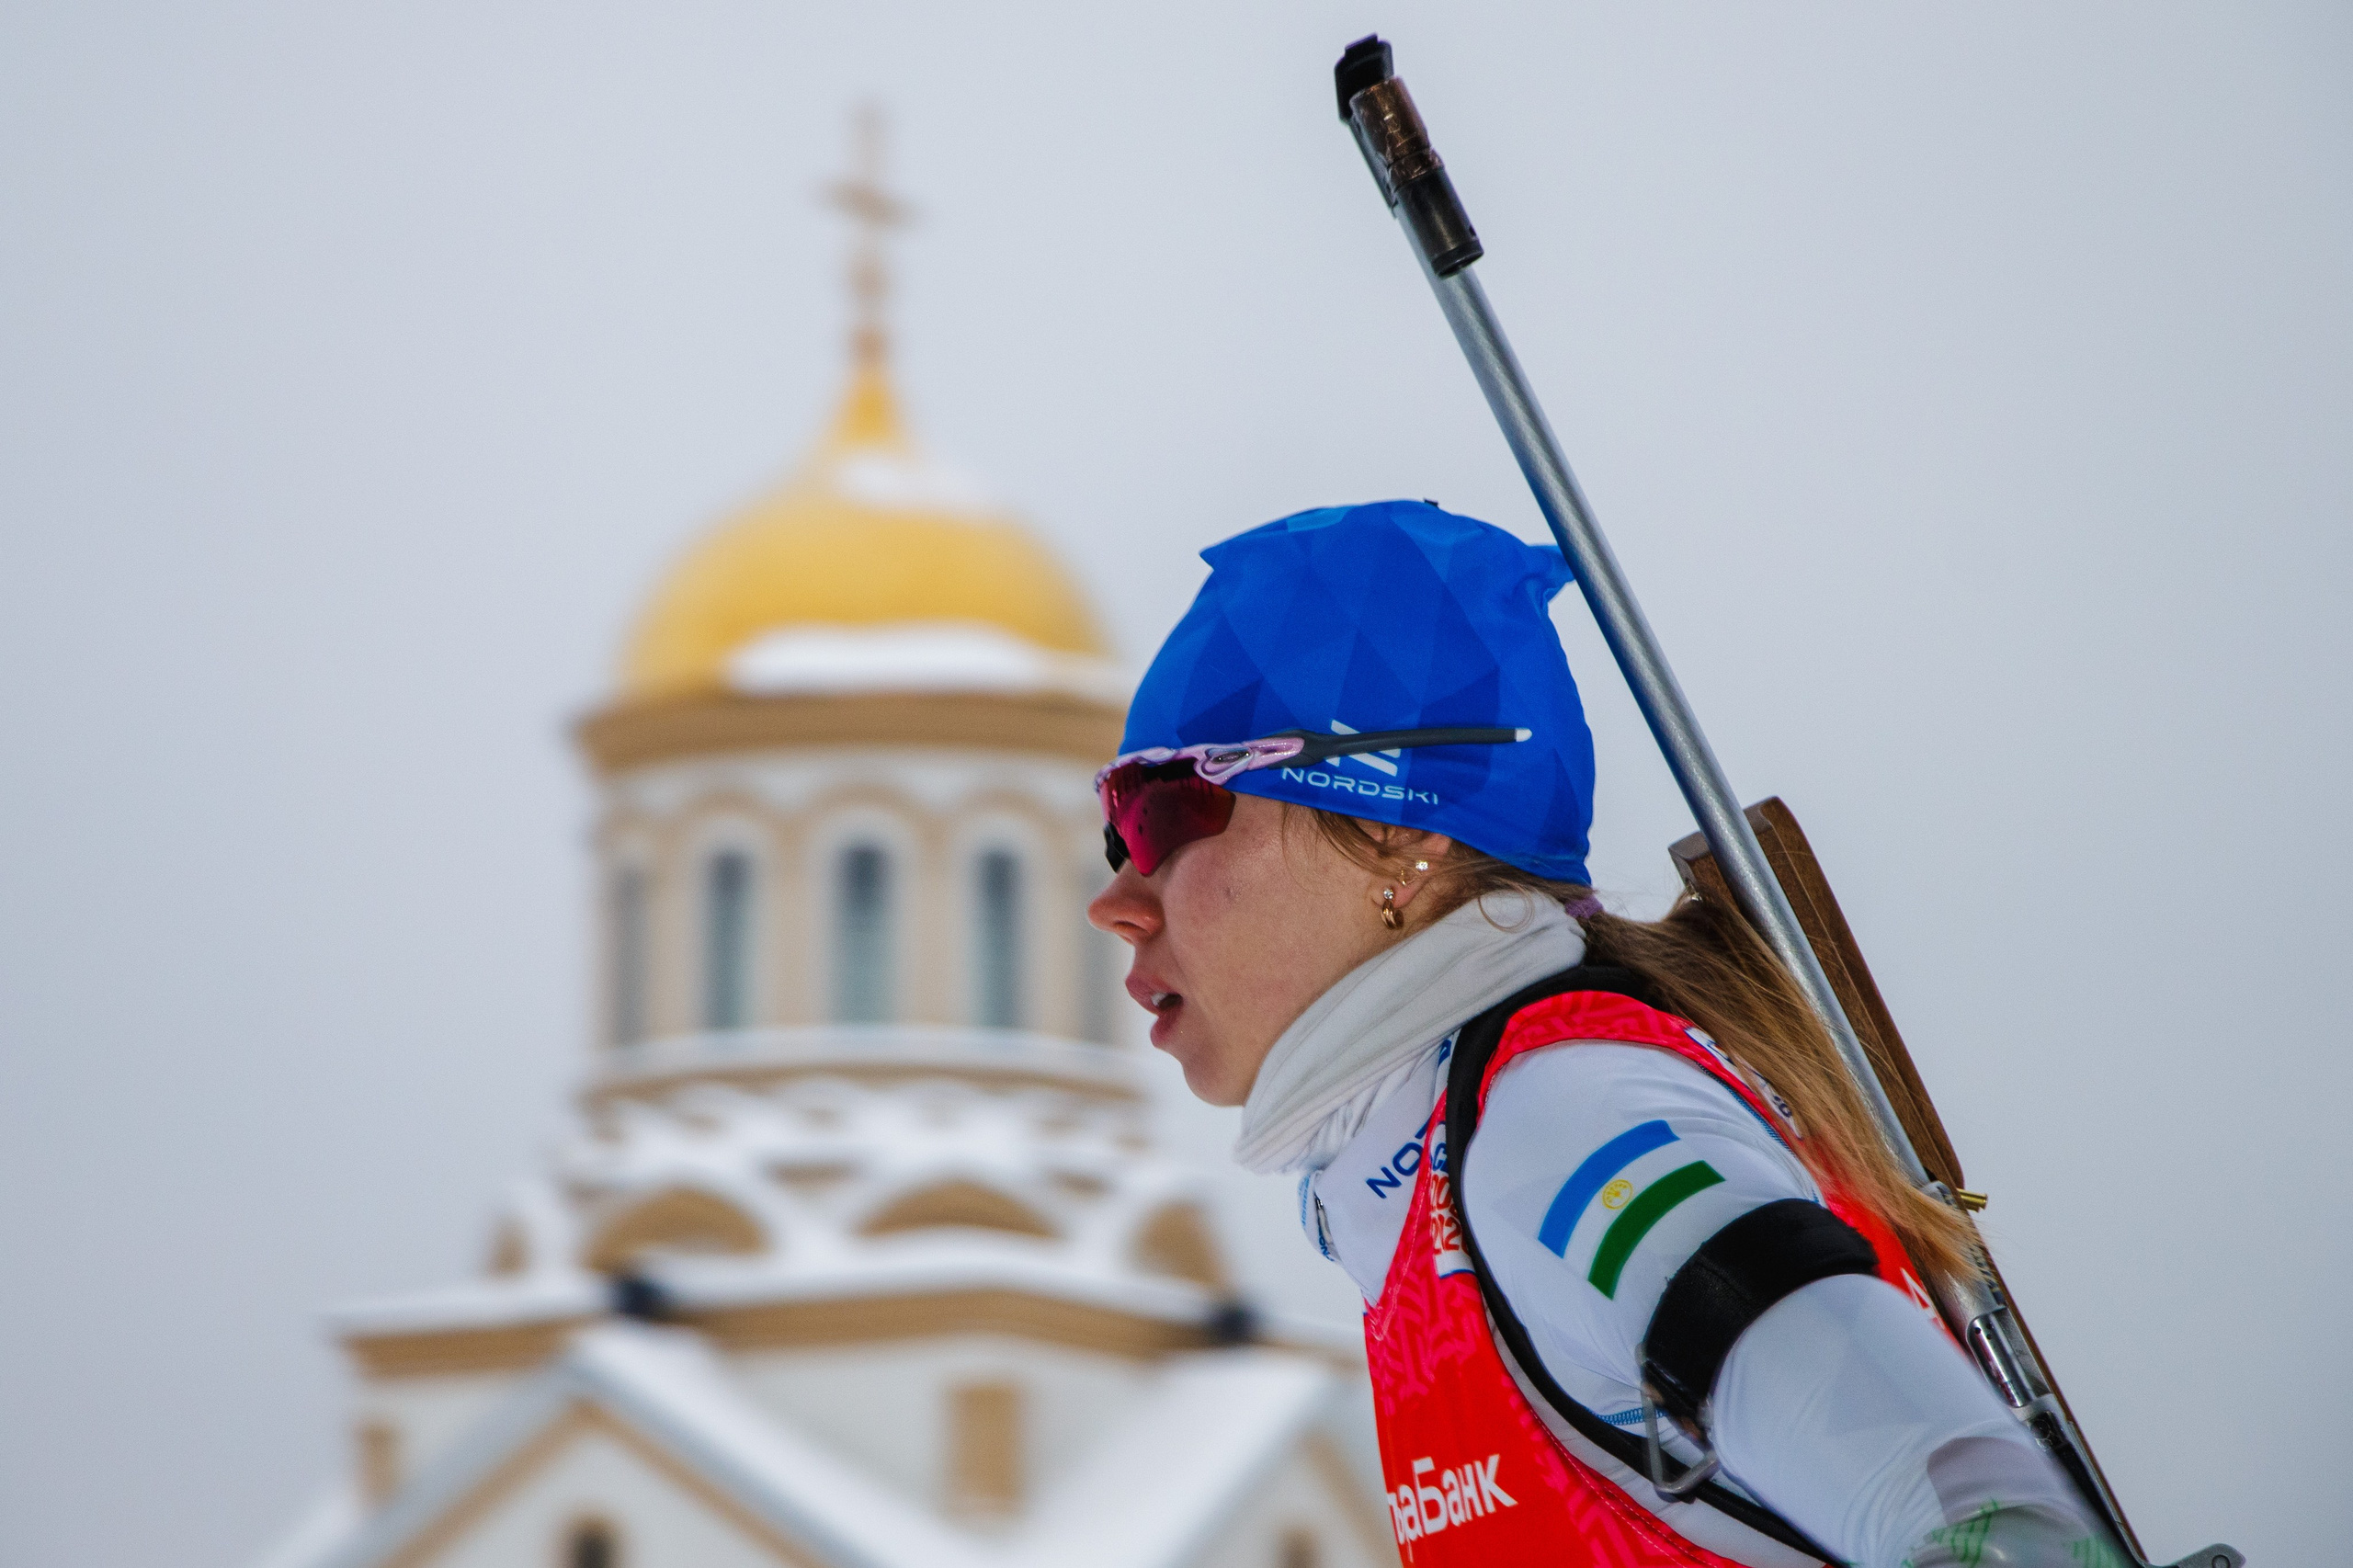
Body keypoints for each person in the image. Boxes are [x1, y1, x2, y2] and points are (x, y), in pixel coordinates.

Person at [1087, 500, 2107, 1568]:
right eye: (1115, 829)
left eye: (1164, 808)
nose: (1115, 895)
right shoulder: (1423, 1185)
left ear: (1394, 823)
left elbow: (1989, 1520)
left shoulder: (1554, 1125)